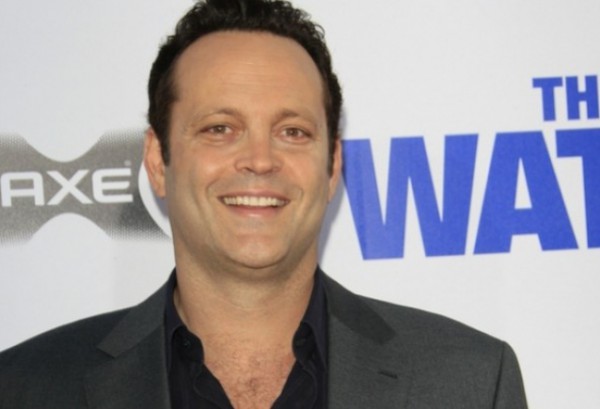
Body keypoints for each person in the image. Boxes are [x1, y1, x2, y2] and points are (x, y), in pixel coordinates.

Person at [0, 0, 528, 407]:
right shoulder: (26, 387)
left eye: (293, 131)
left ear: (332, 165)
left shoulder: (469, 381)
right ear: (158, 161)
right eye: (220, 128)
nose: (259, 159)